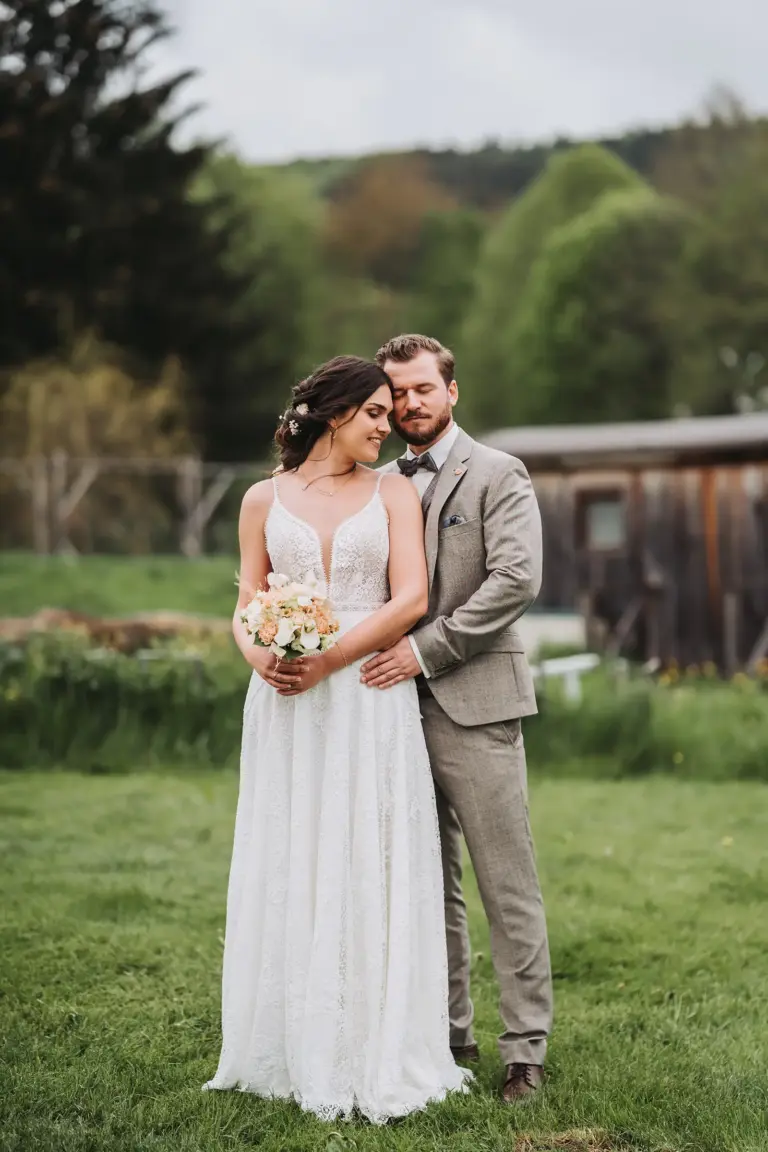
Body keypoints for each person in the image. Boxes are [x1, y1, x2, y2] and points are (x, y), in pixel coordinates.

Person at [202, 355, 469, 1123]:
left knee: (367, 849)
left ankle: (374, 1041)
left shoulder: (393, 493)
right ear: (333, 413)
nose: (391, 426)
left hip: (365, 693)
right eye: (377, 413)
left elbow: (412, 597)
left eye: (392, 413)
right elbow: (246, 601)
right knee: (293, 849)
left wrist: (330, 659)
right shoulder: (262, 498)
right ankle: (288, 1040)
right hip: (286, 701)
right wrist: (264, 657)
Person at [362, 334, 553, 1103]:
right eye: (395, 393)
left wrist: (426, 651)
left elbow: (516, 579)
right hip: (386, 711)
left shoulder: (498, 473)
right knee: (423, 881)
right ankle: (448, 1033)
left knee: (506, 882)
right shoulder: (375, 484)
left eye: (421, 390)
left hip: (476, 704)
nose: (408, 404)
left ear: (452, 391)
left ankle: (525, 1052)